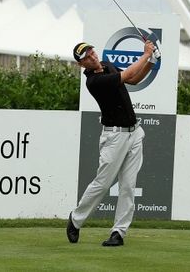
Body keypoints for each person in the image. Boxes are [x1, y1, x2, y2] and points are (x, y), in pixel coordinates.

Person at [66, 39, 157, 247]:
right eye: (86, 57)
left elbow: (133, 79)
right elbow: (126, 75)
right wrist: (145, 54)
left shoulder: (108, 65)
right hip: (114, 137)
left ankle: (119, 232)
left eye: (91, 52)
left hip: (134, 133)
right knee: (103, 183)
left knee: (128, 185)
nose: (92, 57)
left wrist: (151, 61)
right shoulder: (94, 82)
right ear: (82, 65)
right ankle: (75, 219)